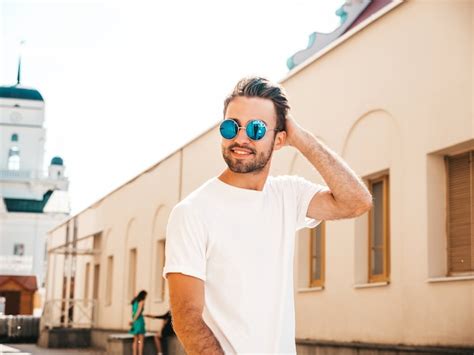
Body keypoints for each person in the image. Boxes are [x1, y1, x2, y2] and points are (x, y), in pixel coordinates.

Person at [163, 76, 373, 354]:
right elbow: (187, 319)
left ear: (279, 139)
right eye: (231, 126)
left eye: (257, 129)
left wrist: (302, 139)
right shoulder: (191, 213)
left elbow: (356, 202)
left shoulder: (287, 195)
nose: (240, 138)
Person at [129, 290, 147, 355]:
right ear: (143, 295)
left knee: (135, 340)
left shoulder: (134, 302)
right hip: (139, 321)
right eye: (146, 295)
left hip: (135, 321)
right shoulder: (141, 302)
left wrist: (132, 321)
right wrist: (134, 321)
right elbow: (138, 313)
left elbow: (133, 312)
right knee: (141, 340)